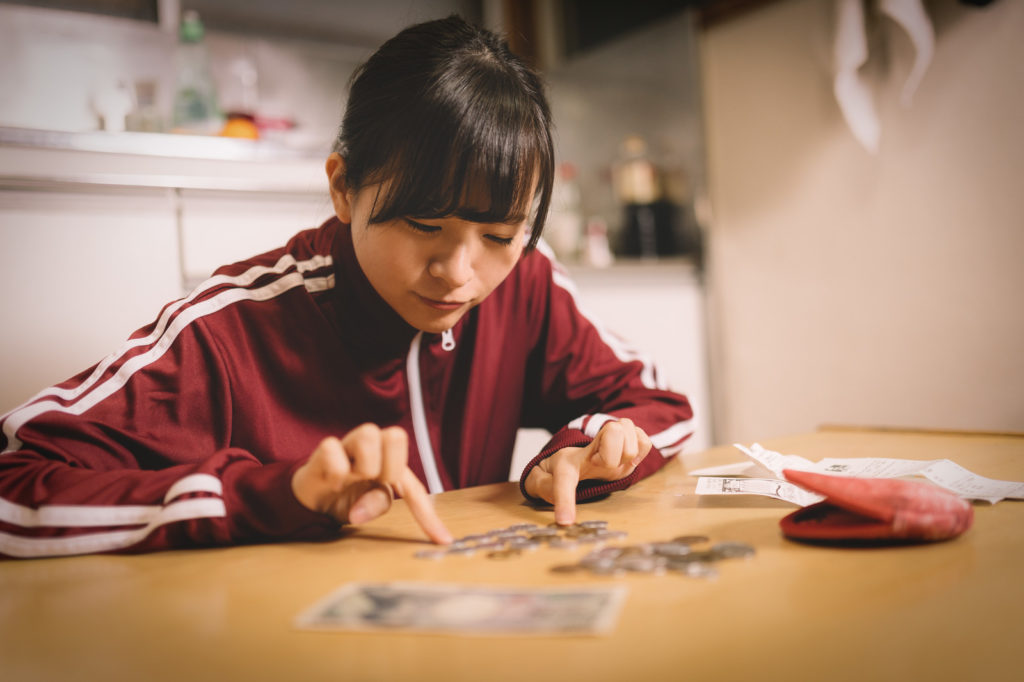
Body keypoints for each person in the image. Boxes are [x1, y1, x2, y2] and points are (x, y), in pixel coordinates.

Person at [0, 15, 693, 559]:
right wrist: (269, 494)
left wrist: (586, 448)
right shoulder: (235, 329)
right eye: (423, 225)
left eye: (498, 235)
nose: (459, 273)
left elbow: (657, 404)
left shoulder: (526, 282)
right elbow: (16, 481)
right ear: (343, 187)